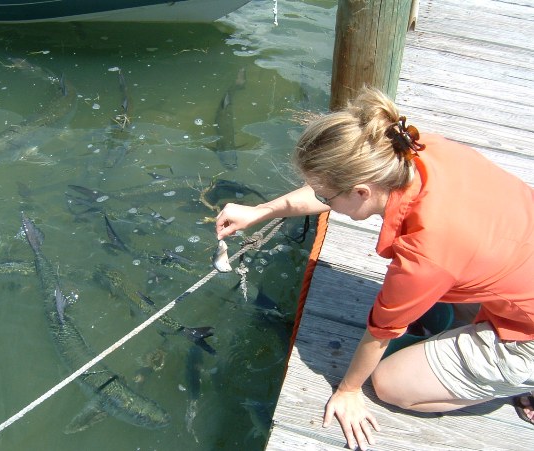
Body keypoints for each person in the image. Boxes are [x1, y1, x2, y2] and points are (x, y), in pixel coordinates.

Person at [214, 86, 534, 450]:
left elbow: (380, 333)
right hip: (516, 261)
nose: (322, 200)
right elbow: (336, 187)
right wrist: (260, 211)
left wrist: (348, 390)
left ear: (362, 192)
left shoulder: (426, 253)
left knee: (390, 384)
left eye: (325, 197)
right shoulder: (408, 150)